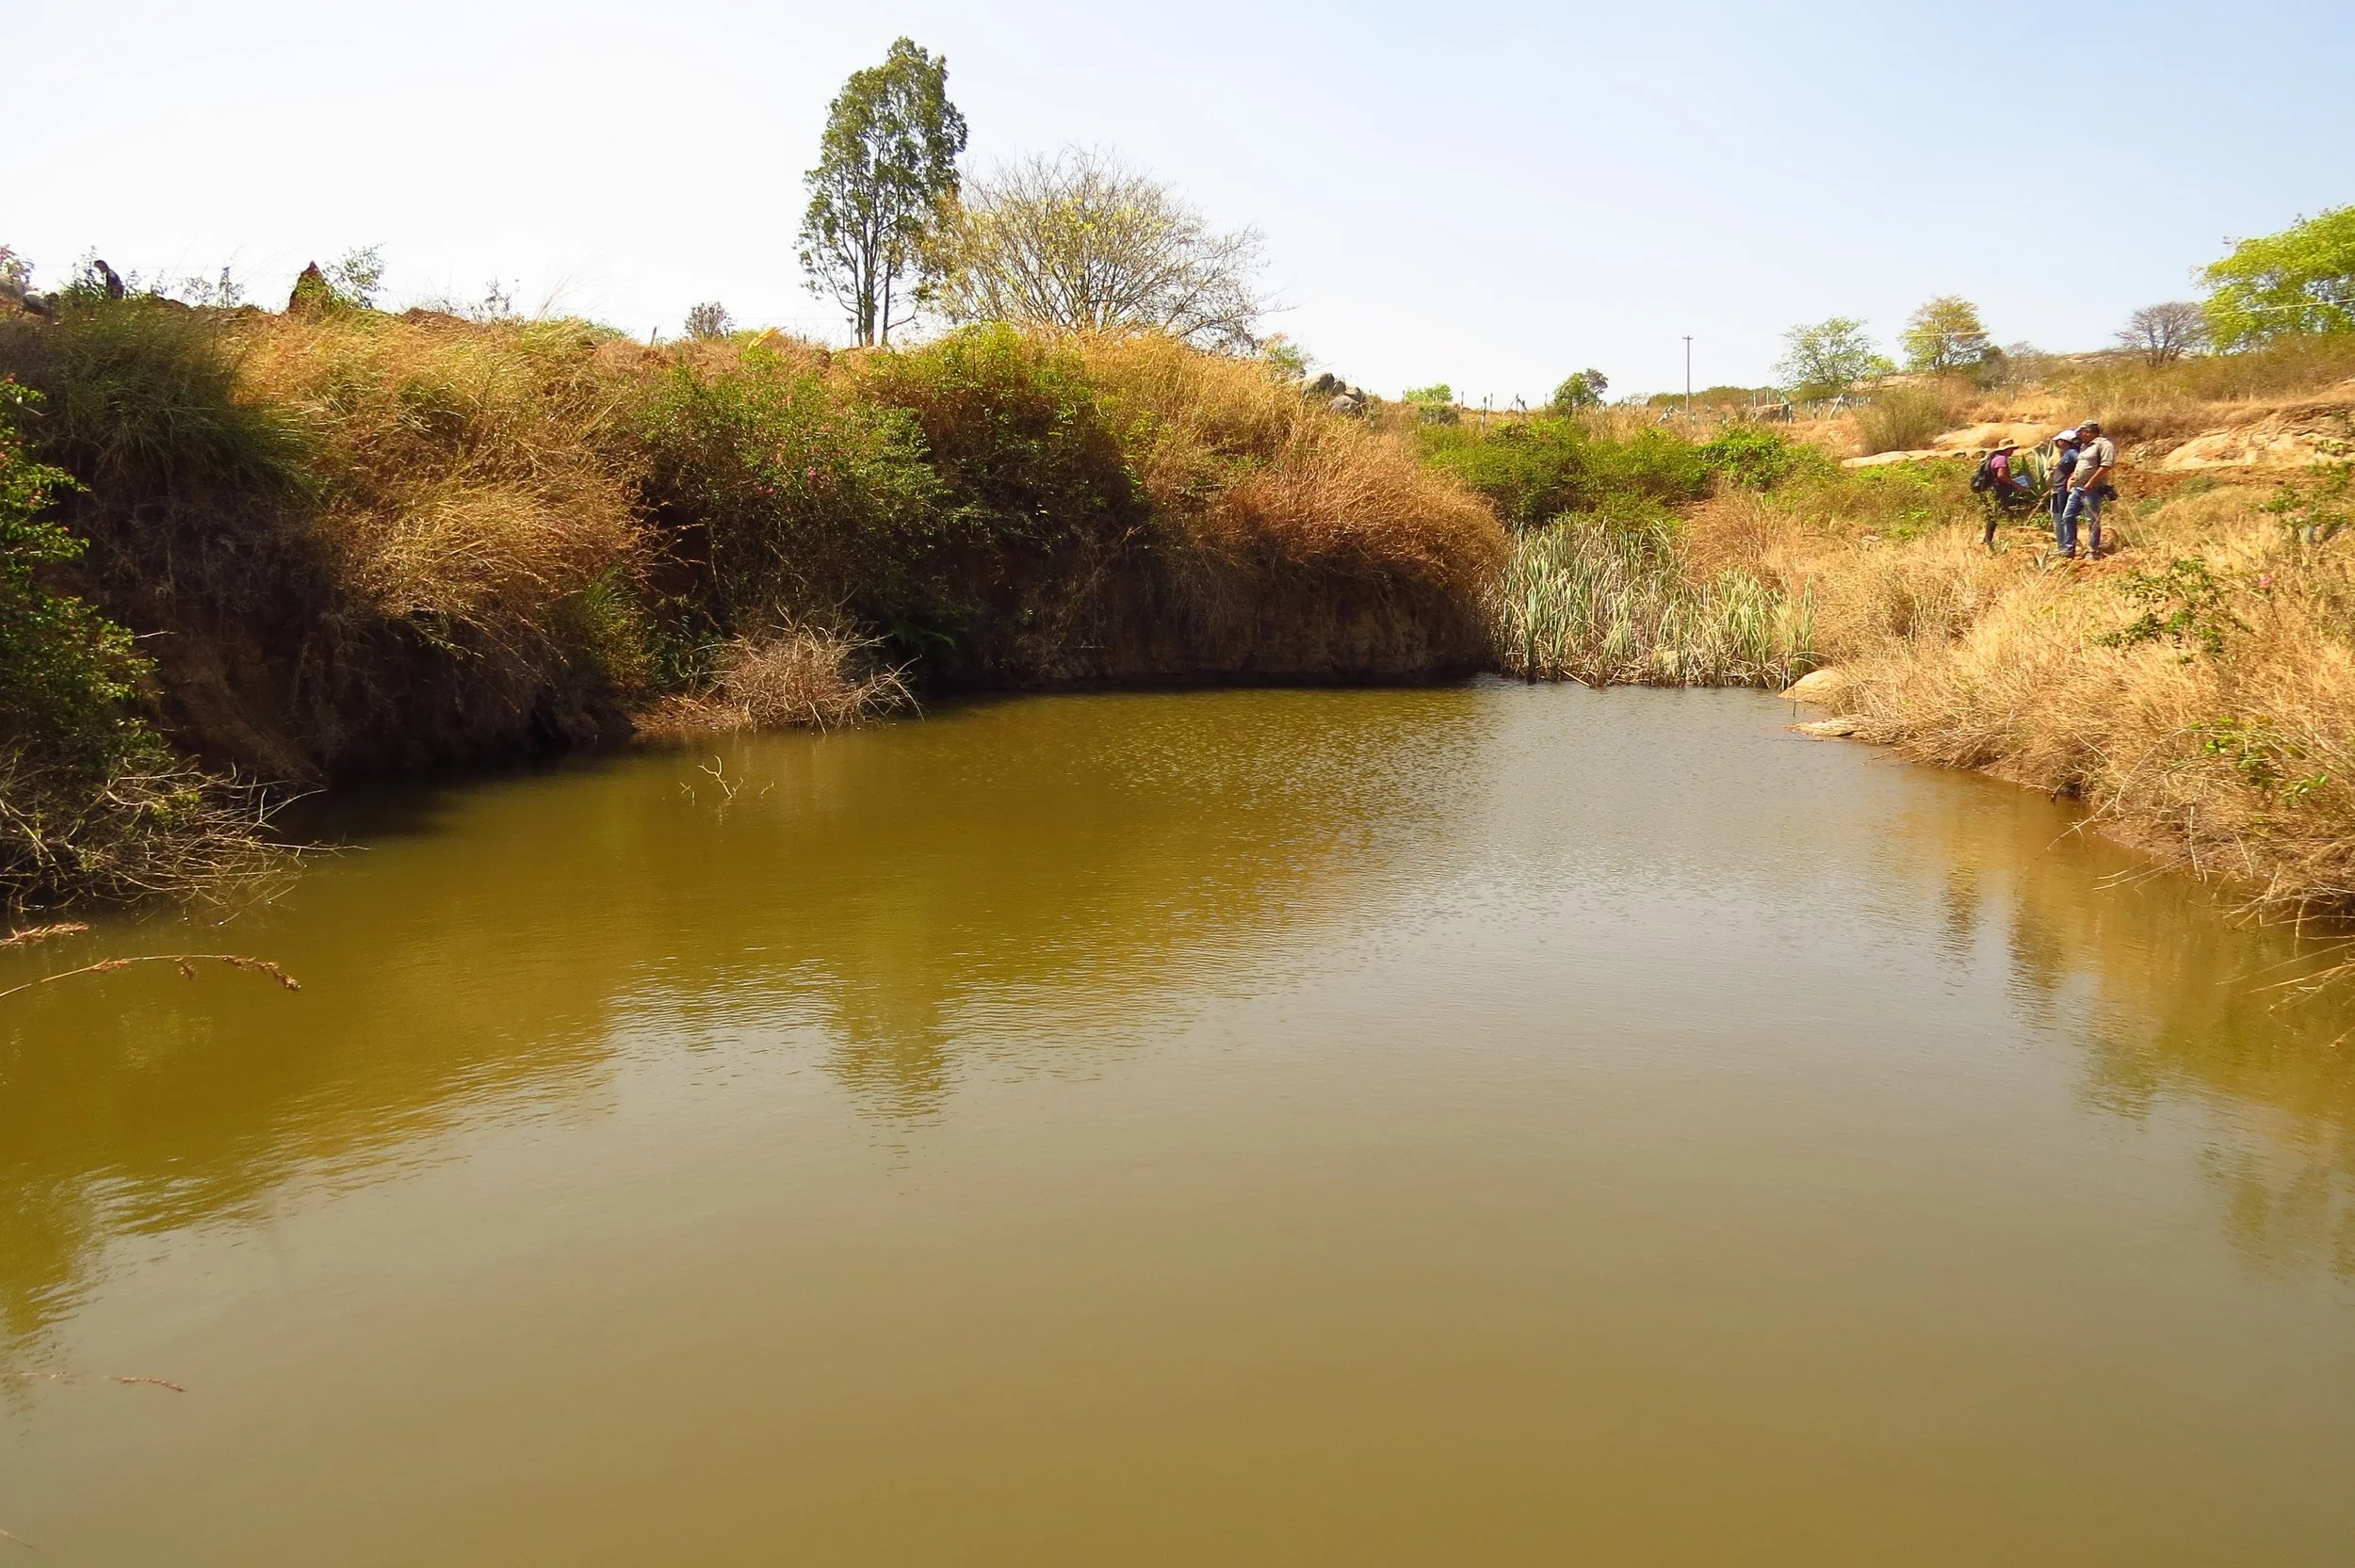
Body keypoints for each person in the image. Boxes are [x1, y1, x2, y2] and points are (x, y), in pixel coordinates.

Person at [2057, 420, 2117, 558]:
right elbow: (2082, 464)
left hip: (2093, 489)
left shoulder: (2104, 445)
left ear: (2087, 432)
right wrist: (2073, 477)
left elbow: (2106, 465)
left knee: (2092, 520)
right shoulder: (2084, 446)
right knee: (2068, 516)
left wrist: (2091, 482)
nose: (2079, 436)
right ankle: (2069, 548)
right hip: (2078, 488)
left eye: (2081, 433)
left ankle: (2092, 550)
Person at [1973, 439, 2035, 546]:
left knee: (1993, 513)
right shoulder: (2002, 459)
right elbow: (2001, 475)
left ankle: (1987, 538)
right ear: (2006, 449)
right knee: (1995, 514)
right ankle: (1988, 539)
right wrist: (2016, 485)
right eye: (2011, 449)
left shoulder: (1994, 458)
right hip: (2000, 489)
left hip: (1993, 488)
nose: (2012, 451)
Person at [2046, 428, 2083, 549]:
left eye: (2060, 441)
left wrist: (2071, 477)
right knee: (2058, 518)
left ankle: (2066, 546)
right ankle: (2062, 545)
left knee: (2064, 518)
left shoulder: (2072, 453)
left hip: (2063, 489)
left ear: (2065, 441)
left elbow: (2081, 464)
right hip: (2057, 489)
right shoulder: (2065, 454)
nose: (2057, 444)